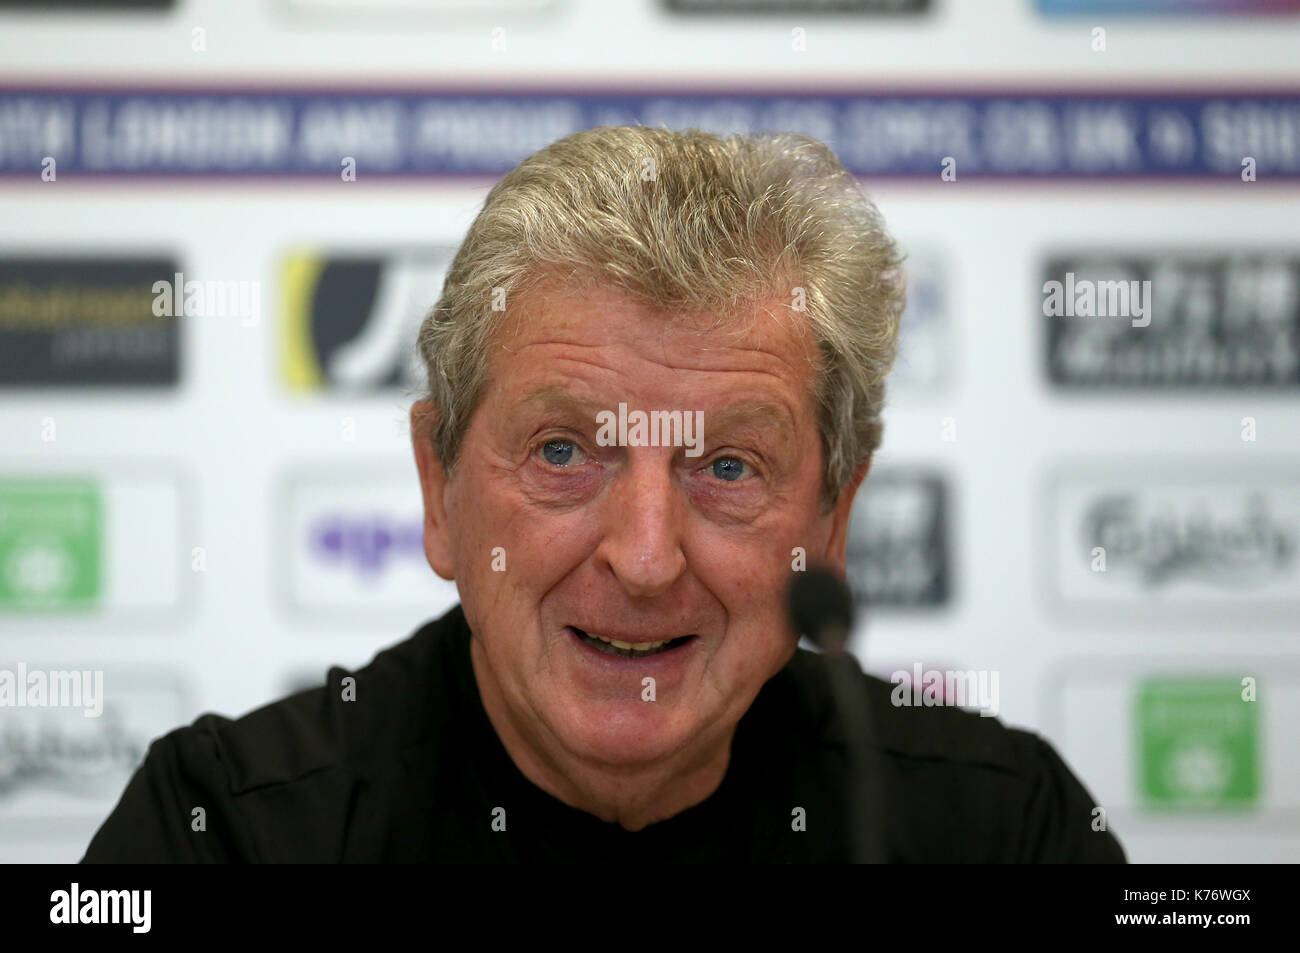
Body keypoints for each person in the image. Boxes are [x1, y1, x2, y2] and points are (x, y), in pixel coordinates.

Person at [82, 125, 1124, 863]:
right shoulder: (224, 827)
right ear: (439, 490)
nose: (643, 554)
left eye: (726, 468)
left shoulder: (1004, 828)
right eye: (566, 451)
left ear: (831, 519)